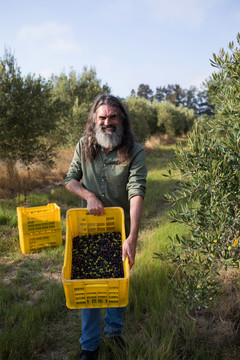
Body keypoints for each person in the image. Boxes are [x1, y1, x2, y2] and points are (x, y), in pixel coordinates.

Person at [64, 94, 147, 360]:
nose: (107, 122)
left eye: (112, 117)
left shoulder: (134, 150)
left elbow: (136, 192)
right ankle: (89, 345)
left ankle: (113, 332)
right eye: (102, 117)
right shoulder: (84, 145)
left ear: (121, 118)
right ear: (94, 120)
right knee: (88, 285)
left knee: (117, 282)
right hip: (88, 230)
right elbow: (70, 180)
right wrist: (89, 196)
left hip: (119, 230)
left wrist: (132, 237)